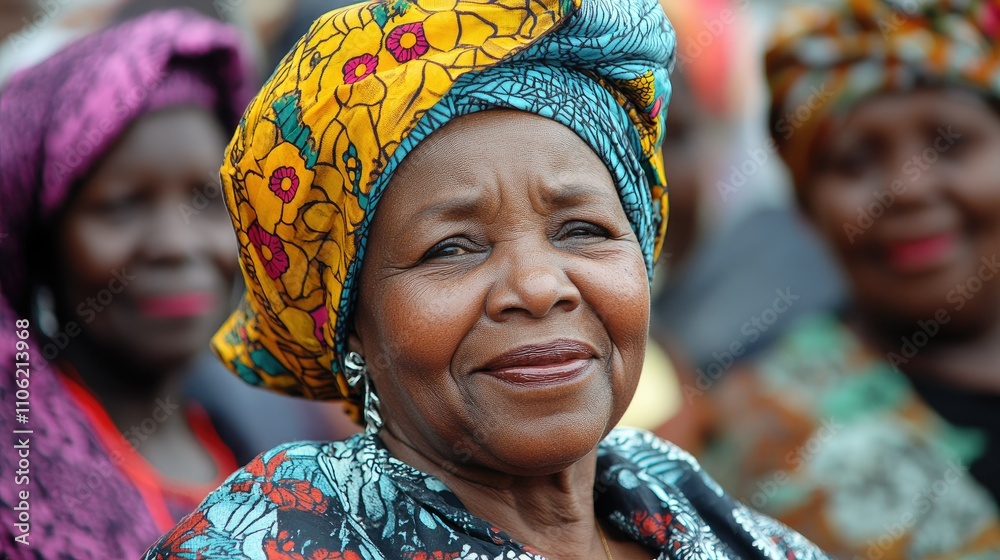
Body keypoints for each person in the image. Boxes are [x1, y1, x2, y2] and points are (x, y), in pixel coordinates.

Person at [143, 1, 830, 558]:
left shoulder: (704, 514)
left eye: (582, 230)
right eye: (451, 248)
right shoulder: (270, 543)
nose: (537, 287)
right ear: (350, 320)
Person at [684, 1, 1000, 558]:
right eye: (854, 161)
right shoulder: (750, 437)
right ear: (806, 209)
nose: (909, 188)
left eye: (952, 143)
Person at [0, 10, 254, 558]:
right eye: (121, 205)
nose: (176, 245)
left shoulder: (266, 450)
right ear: (42, 239)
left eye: (206, 199)